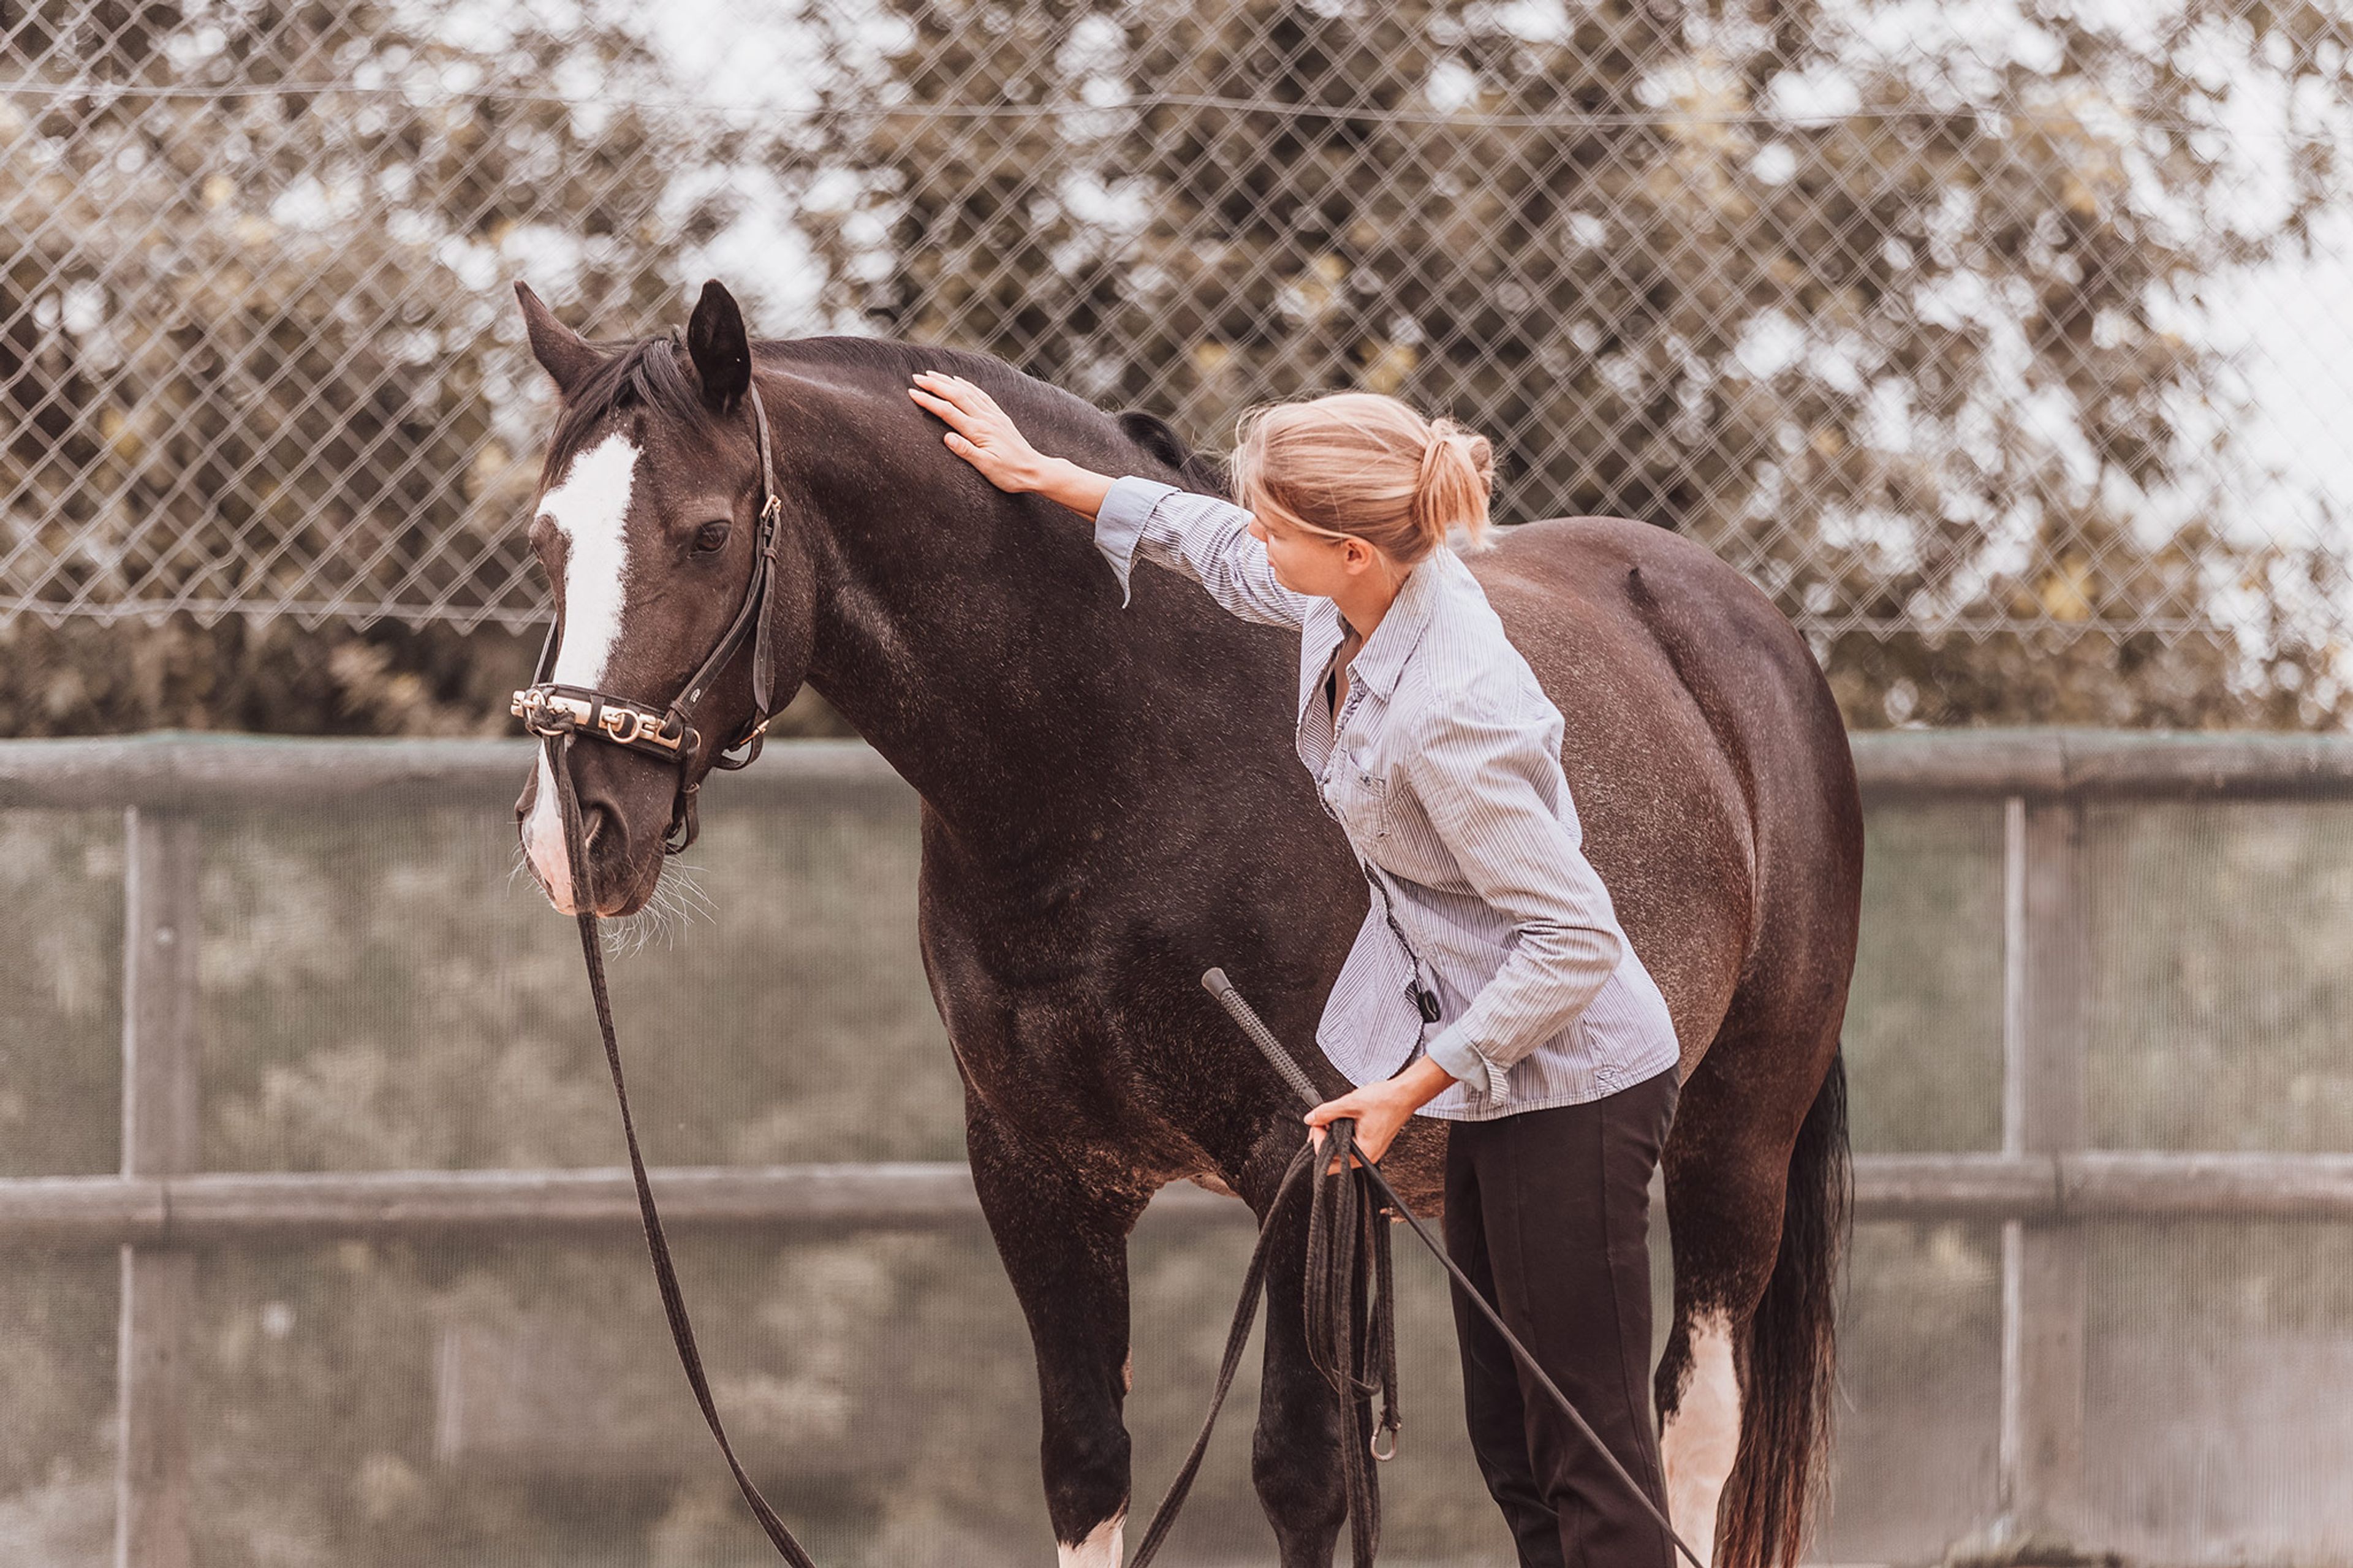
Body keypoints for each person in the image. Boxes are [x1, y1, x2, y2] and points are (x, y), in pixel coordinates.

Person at [906, 368, 1685, 1568]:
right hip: (1492, 1067)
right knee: (1516, 1447)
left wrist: (1411, 1087)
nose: (1256, 542)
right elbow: (1211, 541)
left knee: (1591, 1462)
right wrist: (1046, 473)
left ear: (1351, 551)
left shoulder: (1453, 708)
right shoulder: (1357, 601)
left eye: (1280, 528)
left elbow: (1575, 939)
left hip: (1572, 1081)